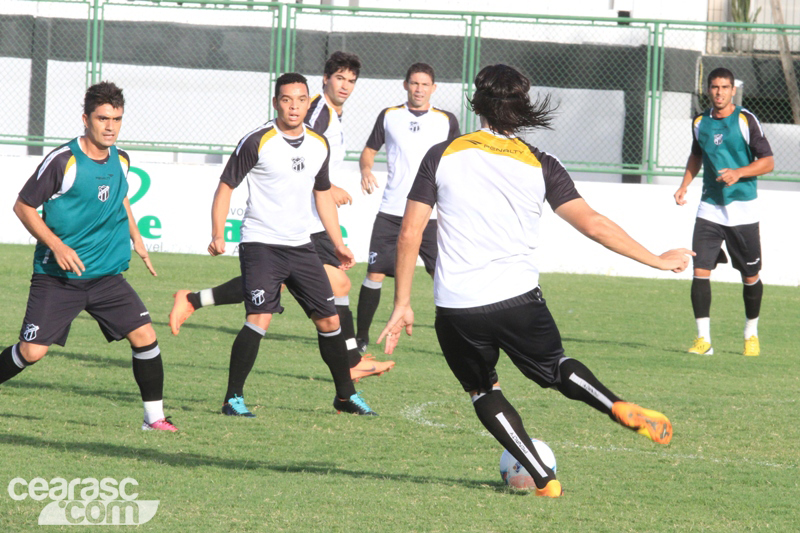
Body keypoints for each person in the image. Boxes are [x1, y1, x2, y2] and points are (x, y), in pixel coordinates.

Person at [378, 64, 693, 496]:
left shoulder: (442, 153)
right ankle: (613, 404)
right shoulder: (540, 162)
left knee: (482, 390)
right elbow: (595, 225)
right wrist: (656, 259)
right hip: (518, 300)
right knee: (556, 368)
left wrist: (402, 303)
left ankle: (544, 479)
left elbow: (411, 232)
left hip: (458, 305)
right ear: (523, 108)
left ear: (477, 104)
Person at [168, 51, 395, 384]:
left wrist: (332, 216)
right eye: (339, 78)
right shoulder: (312, 115)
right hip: (285, 228)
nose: (345, 86)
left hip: (305, 226)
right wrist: (328, 187)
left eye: (351, 80)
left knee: (313, 286)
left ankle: (193, 299)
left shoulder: (326, 121)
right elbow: (289, 158)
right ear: (324, 80)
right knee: (302, 292)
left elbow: (312, 164)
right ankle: (348, 361)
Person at [0, 82, 177, 432]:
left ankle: (154, 418)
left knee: (145, 336)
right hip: (58, 279)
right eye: (102, 118)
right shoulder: (64, 161)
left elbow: (121, 199)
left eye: (117, 119)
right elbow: (23, 207)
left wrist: (137, 238)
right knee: (32, 352)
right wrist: (57, 245)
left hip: (106, 277)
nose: (110, 126)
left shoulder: (121, 159)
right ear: (86, 119)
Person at [208, 72, 377, 418]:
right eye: (287, 99)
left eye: (301, 99)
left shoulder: (319, 144)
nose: (294, 106)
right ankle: (233, 398)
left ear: (308, 101)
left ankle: (345, 396)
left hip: (302, 247)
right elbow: (226, 186)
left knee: (330, 321)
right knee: (259, 316)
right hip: (261, 244)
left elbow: (322, 193)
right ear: (276, 103)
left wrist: (338, 242)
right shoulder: (257, 140)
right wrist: (217, 233)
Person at [356, 63, 460, 351]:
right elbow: (368, 152)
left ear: (433, 88)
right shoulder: (390, 116)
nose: (419, 89)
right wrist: (366, 170)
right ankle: (361, 338)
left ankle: (455, 337)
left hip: (431, 214)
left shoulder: (446, 120)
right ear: (405, 85)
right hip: (392, 211)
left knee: (442, 274)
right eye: (414, 83)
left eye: (425, 84)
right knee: (375, 273)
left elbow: (456, 163)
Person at [674, 67, 773, 357]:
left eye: (724, 87)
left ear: (733, 91)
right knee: (700, 271)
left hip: (743, 209)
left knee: (750, 275)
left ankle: (750, 333)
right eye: (714, 87)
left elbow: (767, 161)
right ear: (708, 90)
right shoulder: (700, 122)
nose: (719, 92)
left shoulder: (745, 120)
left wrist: (739, 173)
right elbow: (697, 155)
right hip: (709, 207)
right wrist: (684, 186)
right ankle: (703, 340)